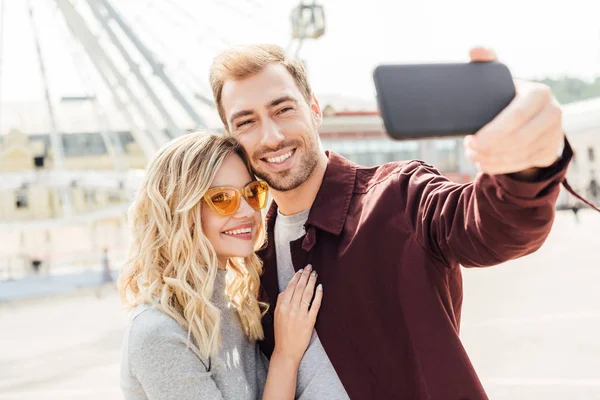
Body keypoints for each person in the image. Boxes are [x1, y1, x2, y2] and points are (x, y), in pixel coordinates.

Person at [208, 44, 589, 399]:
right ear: (230, 137)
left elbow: (494, 226)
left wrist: (529, 166)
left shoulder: (400, 198)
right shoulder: (251, 256)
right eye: (246, 122)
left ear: (315, 109)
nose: (271, 136)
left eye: (283, 110)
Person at [118, 132, 323, 400]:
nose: (248, 212)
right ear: (180, 209)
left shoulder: (238, 306)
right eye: (222, 198)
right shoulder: (159, 333)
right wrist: (286, 355)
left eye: (251, 193)